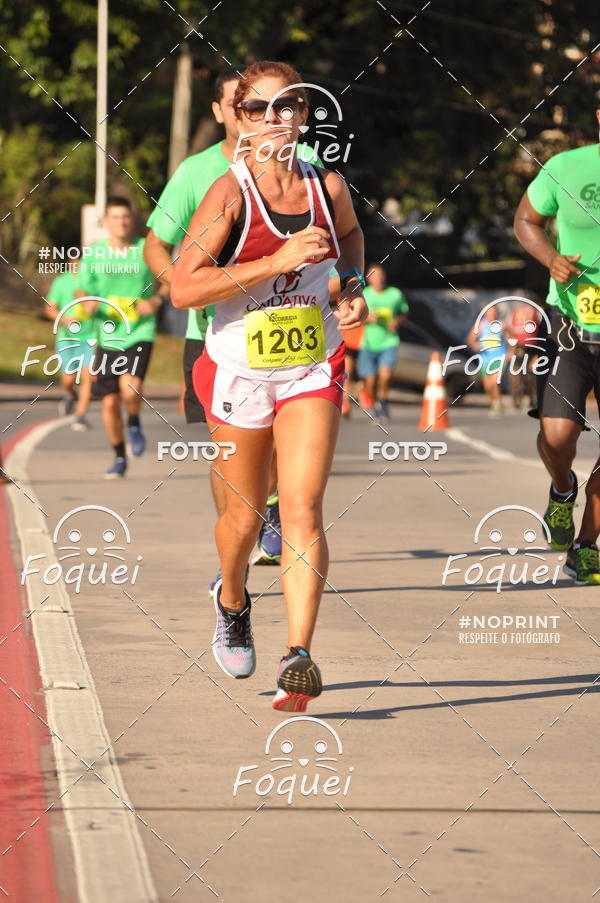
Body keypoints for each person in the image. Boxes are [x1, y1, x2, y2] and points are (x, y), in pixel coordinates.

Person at [171, 60, 367, 711]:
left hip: (313, 362)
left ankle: (298, 655)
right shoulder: (228, 194)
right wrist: (275, 261)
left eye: (289, 106)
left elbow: (351, 238)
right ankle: (231, 598)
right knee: (243, 517)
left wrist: (354, 287)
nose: (274, 119)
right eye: (259, 108)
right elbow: (183, 285)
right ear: (240, 116)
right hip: (237, 366)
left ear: (304, 114)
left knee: (303, 506)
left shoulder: (328, 186)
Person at [144, 68, 320, 573]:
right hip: (212, 337)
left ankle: (263, 514)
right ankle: (236, 547)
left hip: (291, 335)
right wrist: (178, 285)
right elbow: (156, 244)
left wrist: (346, 282)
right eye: (247, 106)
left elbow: (336, 231)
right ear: (225, 112)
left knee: (275, 457)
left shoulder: (306, 164)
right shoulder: (199, 173)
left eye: (278, 107)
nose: (265, 117)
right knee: (228, 455)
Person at [514, 107, 600, 585]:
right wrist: (550, 258)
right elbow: (526, 220)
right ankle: (562, 489)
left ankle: (585, 546)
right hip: (571, 325)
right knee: (557, 436)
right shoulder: (567, 167)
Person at [76, 196, 165, 478]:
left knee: (130, 388)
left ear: (133, 220)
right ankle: (118, 456)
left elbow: (168, 280)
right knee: (110, 402)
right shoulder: (95, 253)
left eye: (125, 217)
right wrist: (87, 302)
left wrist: (156, 302)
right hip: (107, 334)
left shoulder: (146, 249)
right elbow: (82, 290)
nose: (121, 222)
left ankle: (135, 422)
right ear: (106, 223)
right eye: (115, 217)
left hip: (139, 329)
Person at [46, 263, 95, 430]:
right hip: (67, 338)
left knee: (88, 376)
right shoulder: (62, 281)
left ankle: (80, 416)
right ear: (70, 263)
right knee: (68, 379)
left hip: (92, 337)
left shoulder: (95, 281)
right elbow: (49, 308)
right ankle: (70, 394)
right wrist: (65, 320)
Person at [356, 264, 408, 420]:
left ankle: (383, 402)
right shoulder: (365, 294)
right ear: (368, 279)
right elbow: (358, 316)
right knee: (370, 381)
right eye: (374, 275)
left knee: (385, 376)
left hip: (389, 342)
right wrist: (366, 318)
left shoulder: (395, 294)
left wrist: (396, 322)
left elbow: (404, 311)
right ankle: (375, 402)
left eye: (381, 275)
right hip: (369, 343)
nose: (379, 278)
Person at [467, 304, 507, 418]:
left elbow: (511, 337)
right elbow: (470, 339)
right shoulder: (480, 325)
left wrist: (511, 352)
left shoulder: (502, 325)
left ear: (497, 313)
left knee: (495, 382)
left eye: (493, 312)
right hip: (485, 359)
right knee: (488, 387)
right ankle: (494, 401)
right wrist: (475, 345)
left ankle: (497, 404)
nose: (491, 315)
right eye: (489, 312)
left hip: (500, 357)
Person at [505, 300, 540, 409]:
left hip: (527, 347)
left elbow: (508, 329)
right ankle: (518, 396)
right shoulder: (536, 312)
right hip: (522, 346)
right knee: (519, 373)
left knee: (530, 373)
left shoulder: (515, 312)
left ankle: (530, 397)